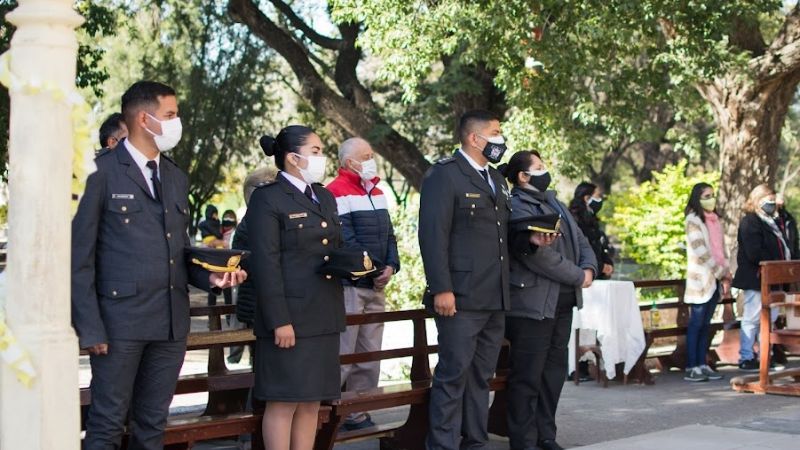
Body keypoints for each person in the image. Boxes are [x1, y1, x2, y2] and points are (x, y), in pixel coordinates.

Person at [71, 80, 246, 450]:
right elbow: (79, 257)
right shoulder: (99, 172)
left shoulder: (174, 176)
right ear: (143, 118)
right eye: (170, 115)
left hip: (169, 323)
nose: (176, 122)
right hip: (119, 323)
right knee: (106, 422)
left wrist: (209, 277)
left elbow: (178, 251)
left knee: (152, 424)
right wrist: (89, 328)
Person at [245, 125, 345, 450]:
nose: (321, 157)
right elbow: (266, 263)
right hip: (290, 318)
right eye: (315, 151)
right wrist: (279, 320)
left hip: (323, 313)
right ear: (292, 158)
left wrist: (363, 268)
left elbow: (334, 249)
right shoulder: (268, 198)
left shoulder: (324, 196)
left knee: (311, 401)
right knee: (283, 401)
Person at [419, 109, 512, 450]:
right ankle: (441, 445)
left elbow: (500, 240)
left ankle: (475, 441)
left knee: (480, 377)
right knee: (453, 374)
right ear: (475, 138)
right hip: (460, 295)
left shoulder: (497, 179)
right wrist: (442, 288)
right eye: (496, 133)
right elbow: (433, 235)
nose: (501, 140)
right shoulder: (445, 175)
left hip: (494, 295)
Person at [498, 150, 596, 450]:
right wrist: (578, 276)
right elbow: (539, 256)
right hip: (532, 304)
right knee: (527, 376)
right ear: (522, 176)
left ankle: (546, 435)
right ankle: (523, 440)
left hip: (563, 302)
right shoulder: (516, 206)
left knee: (553, 374)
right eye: (538, 167)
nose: (545, 171)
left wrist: (589, 266)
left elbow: (580, 239)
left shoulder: (554, 201)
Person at [326, 137, 400, 431]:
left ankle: (358, 410)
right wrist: (375, 270)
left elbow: (389, 235)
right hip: (351, 285)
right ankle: (331, 410)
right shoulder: (335, 192)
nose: (371, 160)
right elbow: (346, 240)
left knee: (369, 352)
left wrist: (392, 266)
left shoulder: (378, 192)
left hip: (376, 285)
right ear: (349, 163)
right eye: (365, 156)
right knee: (345, 352)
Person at [732, 184, 796, 372]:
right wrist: (774, 262)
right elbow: (754, 251)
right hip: (757, 277)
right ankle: (746, 356)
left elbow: (788, 235)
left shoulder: (773, 221)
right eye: (767, 199)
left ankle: (765, 355)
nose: (771, 203)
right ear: (757, 200)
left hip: (776, 277)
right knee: (752, 317)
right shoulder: (750, 221)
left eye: (773, 199)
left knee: (771, 317)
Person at [682, 183, 730, 382]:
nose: (711, 198)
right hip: (701, 280)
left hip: (715, 279)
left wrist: (725, 271)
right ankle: (692, 366)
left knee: (706, 325)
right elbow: (701, 251)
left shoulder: (715, 220)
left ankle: (702, 363)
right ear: (697, 198)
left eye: (712, 195)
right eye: (706, 196)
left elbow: (721, 249)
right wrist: (720, 272)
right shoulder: (693, 220)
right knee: (696, 323)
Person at [228, 167, 276, 365]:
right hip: (259, 308)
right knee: (264, 369)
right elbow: (255, 266)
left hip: (268, 307)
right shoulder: (251, 225)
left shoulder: (266, 222)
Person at [569, 182, 614, 279]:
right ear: (586, 198)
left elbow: (599, 247)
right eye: (597, 196)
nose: (600, 200)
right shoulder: (573, 220)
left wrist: (608, 265)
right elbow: (579, 250)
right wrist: (600, 267)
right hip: (583, 276)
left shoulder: (592, 220)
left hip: (596, 275)